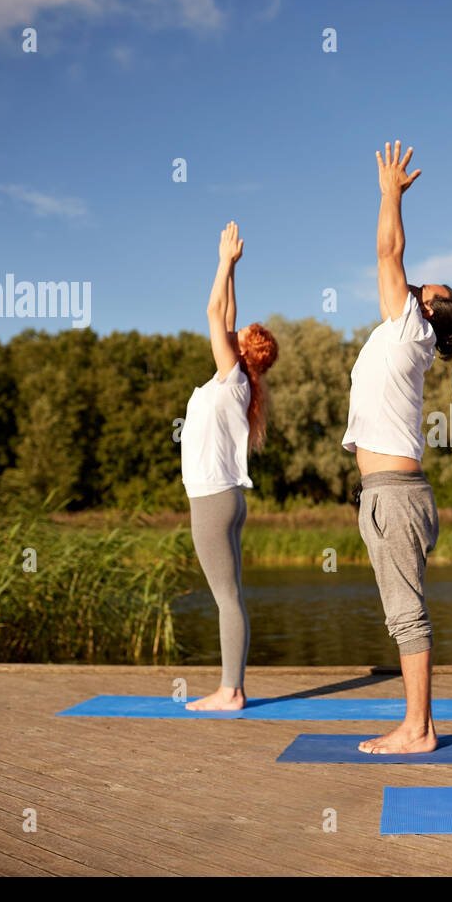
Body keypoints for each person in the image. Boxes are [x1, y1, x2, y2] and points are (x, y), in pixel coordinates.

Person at [342, 140, 452, 753]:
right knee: (403, 613)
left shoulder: (409, 326)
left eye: (424, 286)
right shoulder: (406, 329)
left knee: (407, 615)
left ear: (428, 310)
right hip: (386, 492)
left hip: (394, 495)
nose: (412, 282)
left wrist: (390, 192)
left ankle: (418, 729)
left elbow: (389, 249)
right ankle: (419, 723)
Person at [183, 221, 278, 712]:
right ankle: (233, 685)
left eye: (235, 339)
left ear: (242, 353)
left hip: (211, 500)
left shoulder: (232, 377)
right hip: (227, 499)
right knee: (231, 594)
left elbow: (212, 311)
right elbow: (227, 316)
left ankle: (230, 691)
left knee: (224, 597)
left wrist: (223, 262)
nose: (227, 335)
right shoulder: (239, 383)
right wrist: (235, 269)